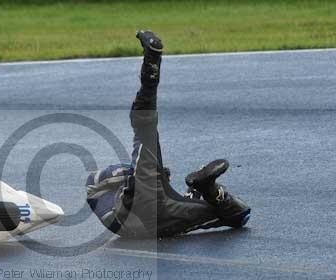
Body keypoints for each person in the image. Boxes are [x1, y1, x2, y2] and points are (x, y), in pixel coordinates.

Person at [86, 31, 251, 238]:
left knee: (144, 130)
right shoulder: (173, 199)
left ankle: (151, 64)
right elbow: (241, 216)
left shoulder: (166, 195)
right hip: (154, 213)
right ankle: (211, 190)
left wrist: (136, 178)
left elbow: (93, 184)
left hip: (141, 213)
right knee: (236, 214)